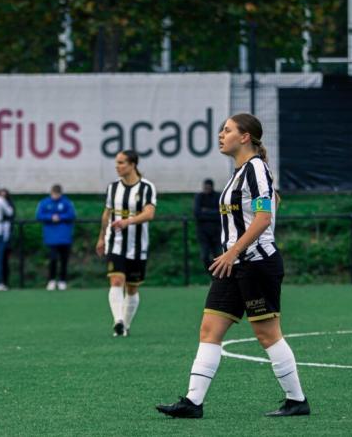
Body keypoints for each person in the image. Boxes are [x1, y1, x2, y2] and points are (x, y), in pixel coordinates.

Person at [156, 113, 309, 419]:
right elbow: (267, 205)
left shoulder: (255, 169)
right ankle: (193, 402)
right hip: (233, 265)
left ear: (245, 137)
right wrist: (232, 253)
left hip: (256, 264)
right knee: (209, 329)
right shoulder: (241, 173)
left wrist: (234, 250)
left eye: (226, 130)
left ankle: (297, 400)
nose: (220, 135)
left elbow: (264, 218)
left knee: (267, 334)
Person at [95, 150, 157, 337]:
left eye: (121, 163)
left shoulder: (147, 188)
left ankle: (125, 326)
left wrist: (127, 221)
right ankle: (118, 321)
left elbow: (149, 214)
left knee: (132, 287)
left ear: (132, 165)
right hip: (115, 243)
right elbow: (107, 214)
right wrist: (101, 237)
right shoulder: (113, 187)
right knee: (116, 280)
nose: (117, 166)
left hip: (137, 246)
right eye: (117, 162)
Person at [36, 184, 76, 291]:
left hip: (65, 237)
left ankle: (62, 281)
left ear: (60, 193)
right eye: (54, 194)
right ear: (51, 193)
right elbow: (39, 215)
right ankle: (51, 280)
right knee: (53, 259)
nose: (55, 196)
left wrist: (60, 217)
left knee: (64, 260)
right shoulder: (44, 202)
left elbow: (72, 215)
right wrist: (50, 217)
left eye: (57, 194)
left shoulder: (67, 202)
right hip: (51, 238)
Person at [194, 179, 222, 273]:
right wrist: (213, 212)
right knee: (205, 256)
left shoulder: (218, 196)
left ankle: (218, 276)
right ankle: (212, 275)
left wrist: (205, 211)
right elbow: (197, 213)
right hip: (203, 234)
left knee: (218, 257)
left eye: (208, 187)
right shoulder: (199, 197)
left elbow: (221, 213)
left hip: (216, 233)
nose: (206, 189)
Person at [0, 188, 15, 287]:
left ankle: (5, 282)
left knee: (4, 260)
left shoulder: (9, 206)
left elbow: (11, 215)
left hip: (6, 236)